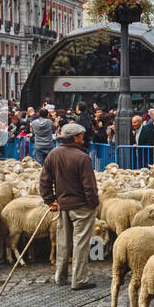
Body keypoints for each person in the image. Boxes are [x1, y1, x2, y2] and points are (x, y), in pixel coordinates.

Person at [41, 123, 100, 290]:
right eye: (81, 135)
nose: (83, 138)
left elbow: (44, 180)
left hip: (63, 205)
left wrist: (49, 200)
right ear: (75, 138)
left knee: (63, 241)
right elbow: (89, 185)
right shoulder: (82, 157)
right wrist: (94, 204)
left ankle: (60, 276)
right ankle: (79, 280)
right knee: (81, 242)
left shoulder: (53, 154)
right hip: (81, 206)